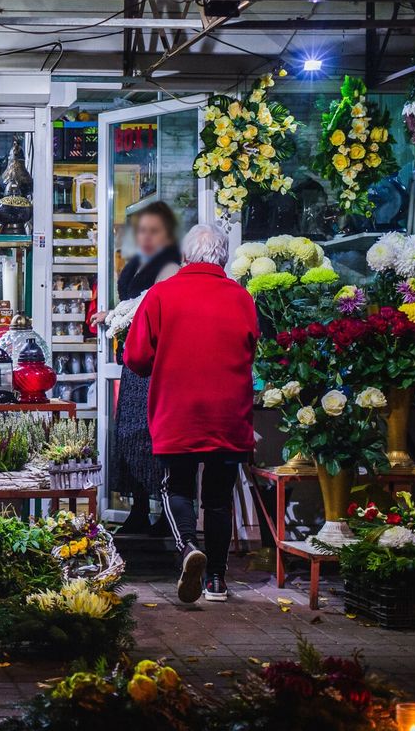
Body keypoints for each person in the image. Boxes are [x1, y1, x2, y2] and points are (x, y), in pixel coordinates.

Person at [123, 224, 259, 604]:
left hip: (178, 411)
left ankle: (187, 549)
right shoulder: (242, 298)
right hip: (229, 414)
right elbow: (251, 348)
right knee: (218, 498)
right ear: (224, 258)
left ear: (185, 257)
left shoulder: (161, 295)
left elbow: (135, 357)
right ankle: (216, 580)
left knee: (177, 487)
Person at [104, 202, 182, 535]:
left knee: (150, 438)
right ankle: (137, 507)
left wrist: (123, 317)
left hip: (154, 368)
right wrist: (111, 314)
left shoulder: (170, 267)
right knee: (130, 434)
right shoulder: (138, 262)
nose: (147, 237)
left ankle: (165, 516)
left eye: (155, 231)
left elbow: (159, 308)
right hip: (133, 364)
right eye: (143, 231)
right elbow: (132, 304)